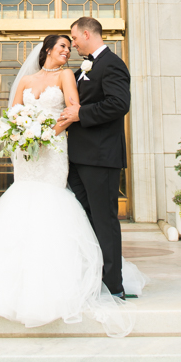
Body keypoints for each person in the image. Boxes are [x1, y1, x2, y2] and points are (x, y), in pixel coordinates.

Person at [0, 33, 143, 334]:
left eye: (71, 45)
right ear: (47, 50)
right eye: (63, 46)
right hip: (27, 154)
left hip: (51, 150)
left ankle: (69, 280)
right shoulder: (26, 81)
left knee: (53, 206)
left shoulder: (69, 75)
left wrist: (45, 135)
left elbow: (71, 111)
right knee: (21, 206)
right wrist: (17, 135)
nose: (68, 50)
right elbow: (12, 114)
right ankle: (9, 280)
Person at [55, 16, 130, 298]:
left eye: (74, 38)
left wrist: (81, 114)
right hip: (77, 158)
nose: (72, 44)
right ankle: (91, 277)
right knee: (85, 219)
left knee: (104, 220)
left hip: (101, 158)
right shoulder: (84, 68)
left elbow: (119, 104)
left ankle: (114, 286)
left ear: (87, 34)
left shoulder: (112, 64)